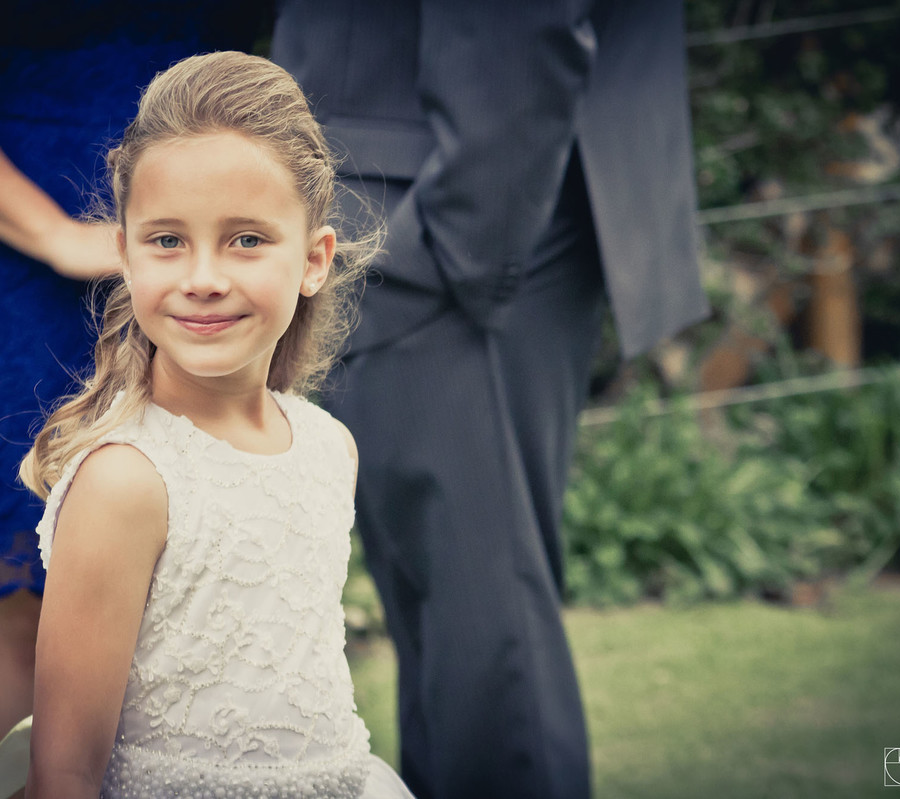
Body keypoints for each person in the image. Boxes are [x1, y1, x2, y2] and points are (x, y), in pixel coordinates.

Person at [272, 2, 710, 797]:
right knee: (450, 632)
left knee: (488, 650)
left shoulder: (442, 250)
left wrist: (448, 246)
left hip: (449, 220)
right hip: (436, 210)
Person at [0, 51, 412, 799]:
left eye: (247, 239)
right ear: (124, 252)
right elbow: (65, 770)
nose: (204, 276)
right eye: (167, 240)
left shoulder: (327, 447)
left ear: (314, 260)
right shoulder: (127, 480)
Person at [0, 3, 258, 796]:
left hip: (203, 246)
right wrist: (60, 235)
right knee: (22, 600)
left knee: (210, 575)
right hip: (24, 258)